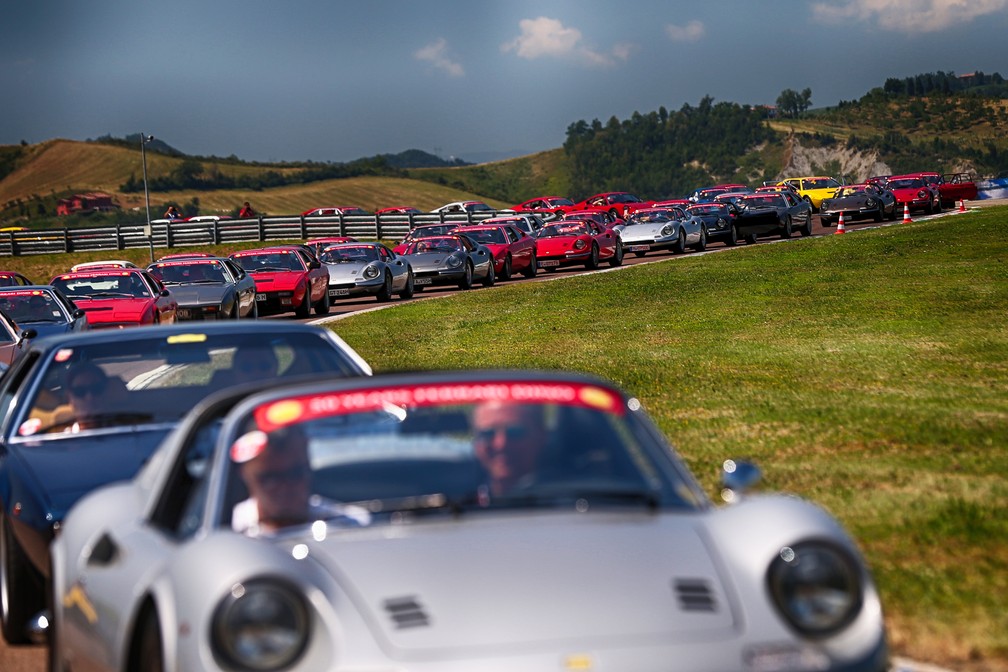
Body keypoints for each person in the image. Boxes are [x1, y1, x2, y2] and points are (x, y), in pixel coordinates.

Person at [230, 426, 369, 536]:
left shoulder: (349, 527)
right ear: (245, 475)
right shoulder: (229, 531)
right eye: (270, 478)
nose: (285, 488)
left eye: (295, 473)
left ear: (308, 467)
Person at [471, 400, 549, 497]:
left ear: (540, 436)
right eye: (488, 433)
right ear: (475, 443)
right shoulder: (461, 500)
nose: (501, 445)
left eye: (514, 432)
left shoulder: (567, 499)